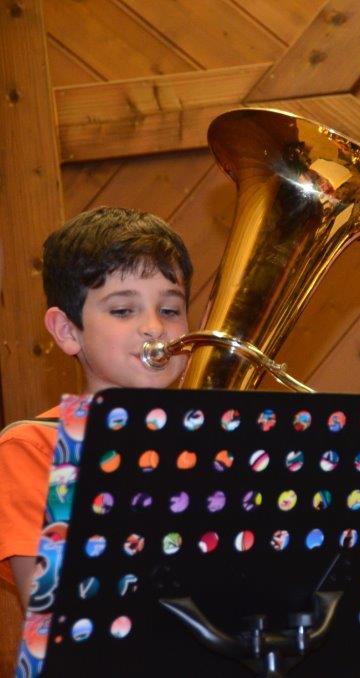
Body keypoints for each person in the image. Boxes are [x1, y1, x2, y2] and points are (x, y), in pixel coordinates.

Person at [0, 207, 192, 611]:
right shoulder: (32, 447)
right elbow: (49, 604)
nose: (155, 327)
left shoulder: (211, 439)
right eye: (123, 310)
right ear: (67, 331)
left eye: (170, 310)